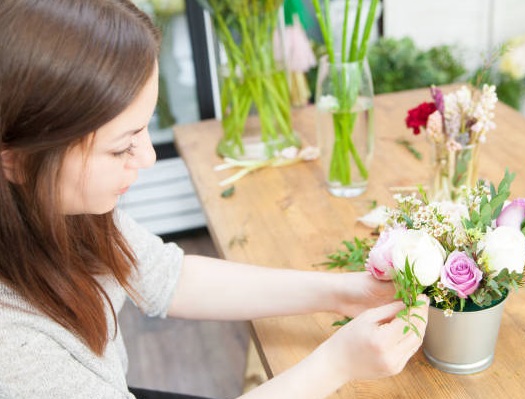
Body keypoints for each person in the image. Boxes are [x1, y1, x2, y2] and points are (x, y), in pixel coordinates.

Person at [0, 1, 429, 398]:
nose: (147, 157)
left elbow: (169, 278)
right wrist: (337, 363)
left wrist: (343, 291)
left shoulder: (59, 209)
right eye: (121, 147)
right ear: (17, 162)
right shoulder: (15, 354)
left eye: (145, 128)